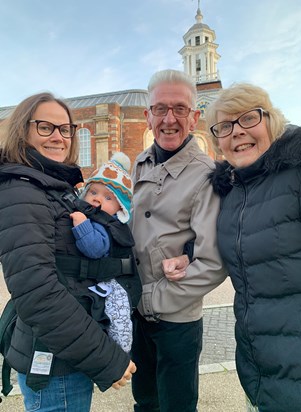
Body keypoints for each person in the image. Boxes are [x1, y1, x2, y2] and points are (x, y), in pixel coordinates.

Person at [0, 92, 136, 412]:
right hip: (56, 359)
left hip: (65, 350)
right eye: (45, 127)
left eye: (65, 129)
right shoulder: (23, 191)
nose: (59, 137)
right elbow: (39, 293)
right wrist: (106, 358)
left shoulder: (50, 185)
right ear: (23, 131)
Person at [205, 82, 301, 412]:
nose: (236, 132)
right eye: (225, 126)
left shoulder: (300, 175)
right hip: (259, 372)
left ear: (270, 120)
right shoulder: (232, 191)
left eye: (248, 119)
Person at [130, 69, 227, 412]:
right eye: (160, 109)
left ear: (195, 117)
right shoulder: (140, 163)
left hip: (176, 318)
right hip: (137, 313)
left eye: (180, 109)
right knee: (144, 400)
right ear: (148, 116)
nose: (169, 119)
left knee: (176, 405)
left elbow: (213, 262)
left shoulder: (205, 174)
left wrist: (154, 298)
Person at [70, 152, 141, 353]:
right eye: (93, 192)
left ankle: (120, 350)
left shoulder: (105, 224)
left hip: (111, 281)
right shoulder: (95, 216)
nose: (97, 200)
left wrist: (81, 225)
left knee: (118, 311)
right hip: (96, 279)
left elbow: (95, 248)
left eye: (108, 197)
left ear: (120, 206)